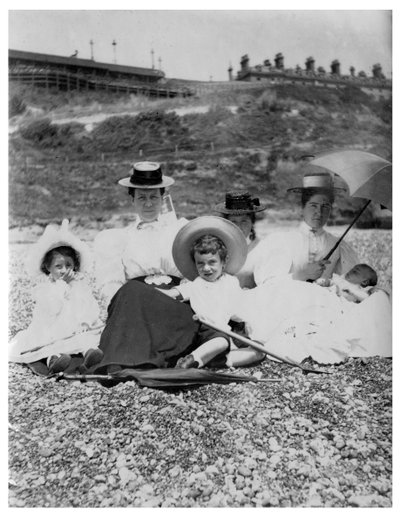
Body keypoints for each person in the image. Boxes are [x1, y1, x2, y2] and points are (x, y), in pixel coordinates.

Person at [91, 161, 203, 373]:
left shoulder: (181, 231)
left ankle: (134, 358)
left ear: (163, 198)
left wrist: (180, 295)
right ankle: (131, 356)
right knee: (131, 290)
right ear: (132, 200)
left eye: (154, 197)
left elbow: (195, 277)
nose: (149, 204)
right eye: (142, 197)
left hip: (174, 307)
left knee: (134, 292)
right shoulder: (120, 238)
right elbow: (111, 285)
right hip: (136, 313)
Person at [9, 219, 103, 373]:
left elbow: (90, 307)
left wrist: (86, 322)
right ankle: (54, 359)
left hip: (76, 328)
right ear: (48, 267)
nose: (64, 270)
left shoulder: (79, 286)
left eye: (68, 265)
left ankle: (89, 354)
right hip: (52, 329)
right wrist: (62, 286)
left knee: (86, 339)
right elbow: (51, 309)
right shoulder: (46, 289)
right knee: (50, 344)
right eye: (58, 266)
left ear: (75, 267)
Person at [158, 216, 249, 368]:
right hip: (206, 332)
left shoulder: (231, 282)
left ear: (224, 262)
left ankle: (220, 361)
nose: (206, 268)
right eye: (200, 263)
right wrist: (148, 290)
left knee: (258, 350)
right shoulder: (195, 285)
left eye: (212, 262)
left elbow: (238, 311)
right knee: (220, 342)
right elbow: (172, 294)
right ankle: (193, 359)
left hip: (228, 329)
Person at [253, 171, 359, 285]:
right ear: (302, 208)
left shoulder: (337, 245)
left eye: (325, 206)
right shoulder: (282, 241)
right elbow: (266, 284)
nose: (319, 212)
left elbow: (351, 284)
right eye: (313, 206)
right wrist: (301, 275)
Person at [214, 190, 267, 289]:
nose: (239, 226)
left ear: (252, 222)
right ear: (226, 222)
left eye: (244, 221)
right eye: (233, 221)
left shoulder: (262, 249)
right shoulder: (216, 246)